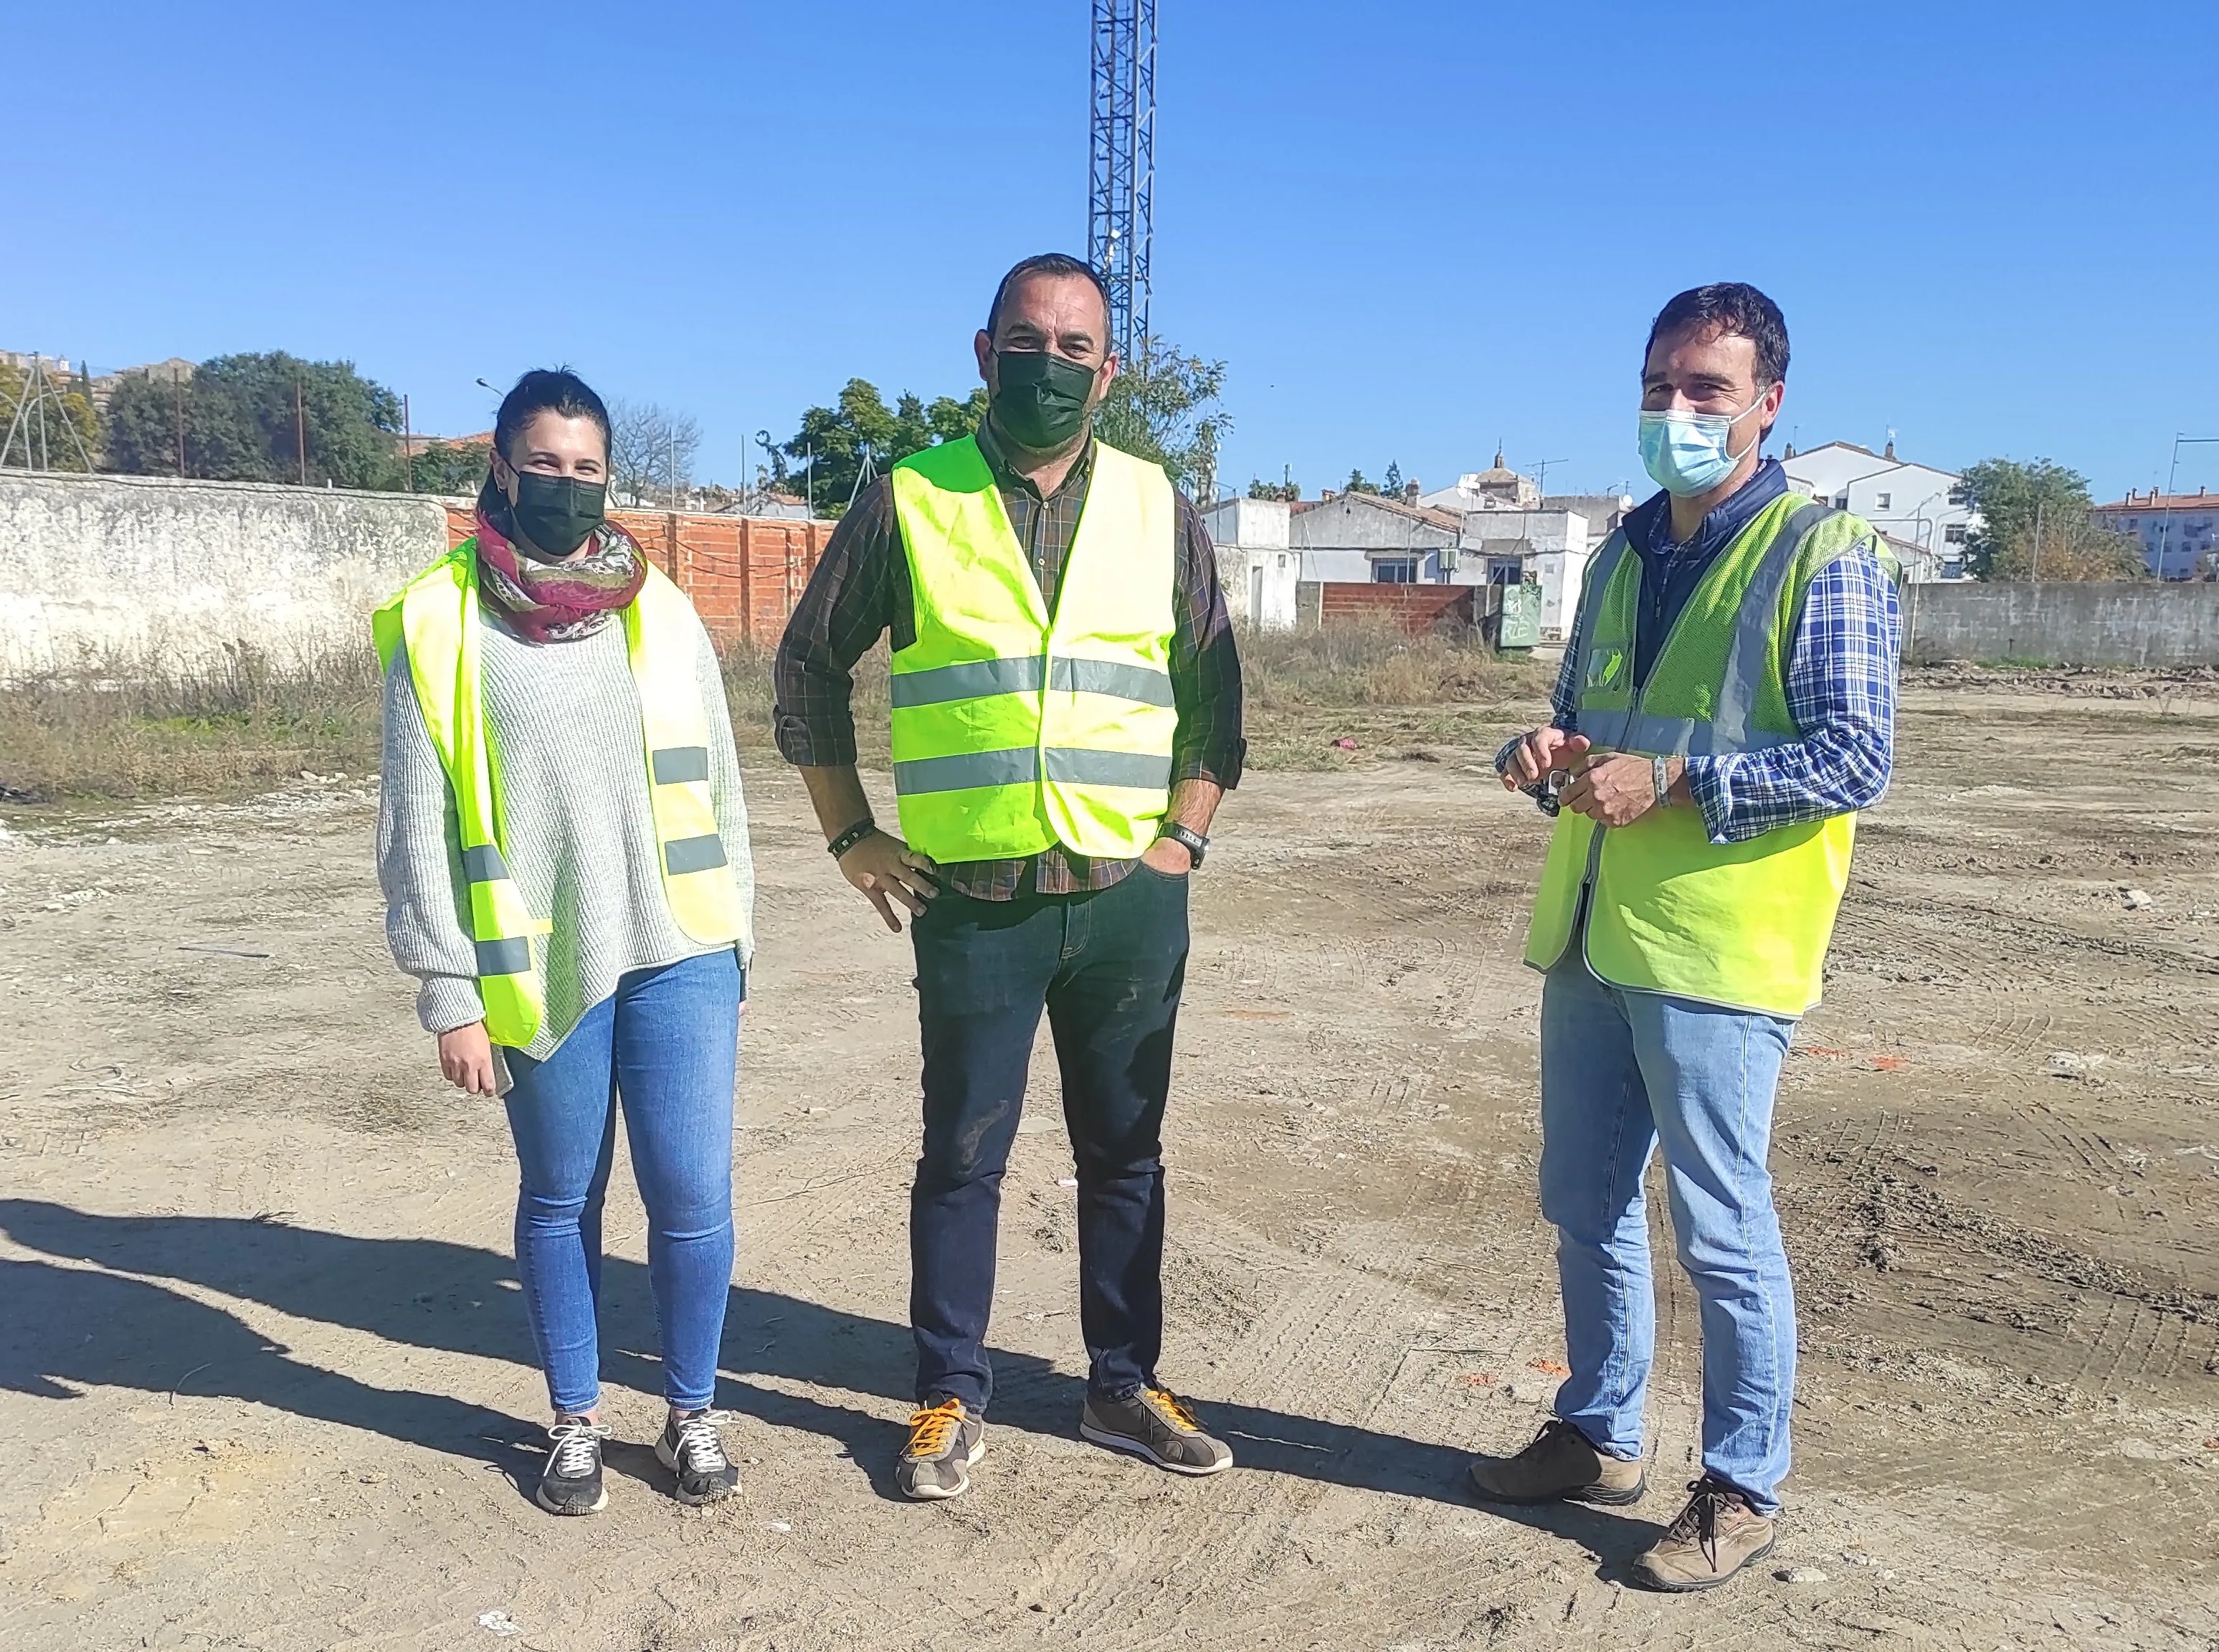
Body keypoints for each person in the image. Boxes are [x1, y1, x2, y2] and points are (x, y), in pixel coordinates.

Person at [773, 253, 1245, 1501]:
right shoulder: (909, 497)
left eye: (1075, 346)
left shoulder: (1156, 504)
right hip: (973, 903)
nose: (1050, 363)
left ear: (1107, 368)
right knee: (961, 1154)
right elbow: (808, 668)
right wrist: (849, 835)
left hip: (1126, 898)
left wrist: (1182, 840)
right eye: (1026, 341)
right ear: (983, 355)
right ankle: (945, 1395)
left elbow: (1213, 697)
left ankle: (1121, 1383)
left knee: (1126, 1153)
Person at [1468, 284, 1900, 1591]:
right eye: (1659, 386)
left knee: (1719, 1225)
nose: (1676, 411)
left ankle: (1743, 1484)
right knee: (1584, 1205)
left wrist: (1679, 780)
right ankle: (1599, 1436)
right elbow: (1579, 718)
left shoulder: (1822, 556)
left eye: (1706, 390)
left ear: (1767, 402)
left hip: (1719, 947)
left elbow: (1856, 754)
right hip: (1595, 932)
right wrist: (1539, 754)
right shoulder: (1615, 552)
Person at [376, 369, 755, 1516]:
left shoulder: (662, 604)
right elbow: (414, 824)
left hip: (682, 945)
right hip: (538, 964)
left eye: (586, 467)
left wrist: (739, 931)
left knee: (690, 1192)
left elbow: (723, 782)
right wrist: (448, 989)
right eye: (544, 463)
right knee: (560, 1195)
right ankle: (576, 1421)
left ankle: (692, 1411)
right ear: (500, 466)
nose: (566, 484)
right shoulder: (439, 618)